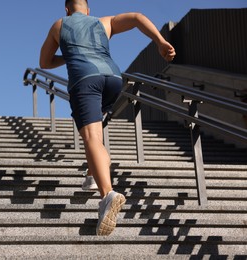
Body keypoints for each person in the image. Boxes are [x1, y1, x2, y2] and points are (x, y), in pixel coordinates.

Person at [39, 0, 176, 236]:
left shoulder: (59, 25)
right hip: (112, 77)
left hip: (85, 79)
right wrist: (160, 41)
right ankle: (93, 173)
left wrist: (69, 55)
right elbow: (136, 16)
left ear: (67, 9)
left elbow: (44, 62)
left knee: (91, 135)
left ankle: (107, 195)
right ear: (88, 9)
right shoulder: (104, 22)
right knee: (93, 135)